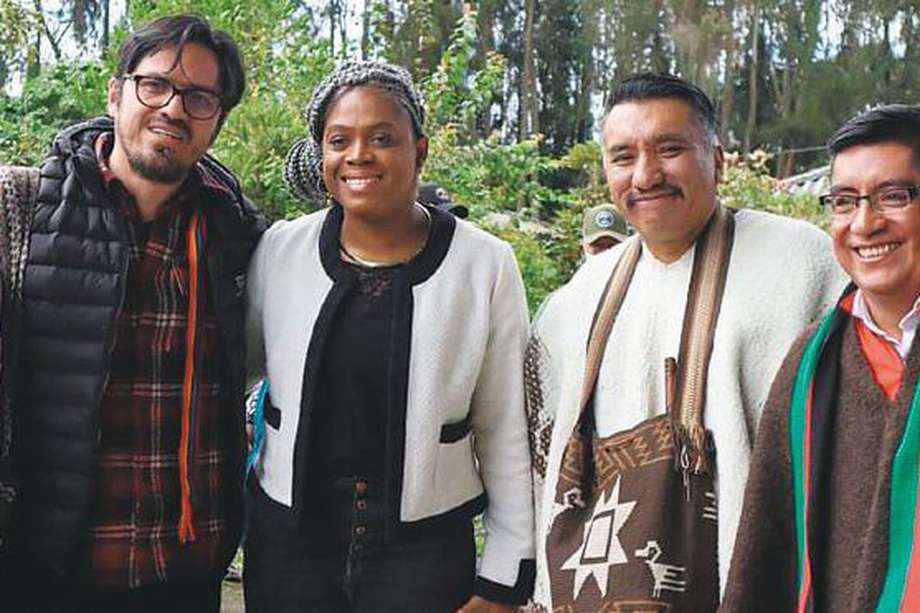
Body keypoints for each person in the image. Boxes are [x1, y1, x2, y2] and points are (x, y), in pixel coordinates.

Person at [525, 73, 844, 610]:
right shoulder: (577, 299)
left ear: (717, 159)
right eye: (623, 157)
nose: (646, 175)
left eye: (670, 149)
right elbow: (537, 447)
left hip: (757, 578)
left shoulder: (804, 263)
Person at [243, 61, 534, 612]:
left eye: (382, 138)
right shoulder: (281, 252)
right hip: (289, 548)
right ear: (322, 154)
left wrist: (503, 575)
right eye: (339, 140)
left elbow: (505, 426)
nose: (359, 155)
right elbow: (234, 374)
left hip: (421, 556)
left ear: (418, 151)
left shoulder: (484, 265)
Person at [3, 15, 265, 612]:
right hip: (47, 571)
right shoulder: (22, 211)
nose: (174, 108)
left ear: (217, 120)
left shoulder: (238, 238)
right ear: (117, 92)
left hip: (187, 575)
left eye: (200, 97)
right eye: (156, 85)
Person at [722, 105, 920, 612]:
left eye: (894, 196)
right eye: (844, 201)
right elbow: (765, 549)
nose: (865, 223)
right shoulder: (812, 364)